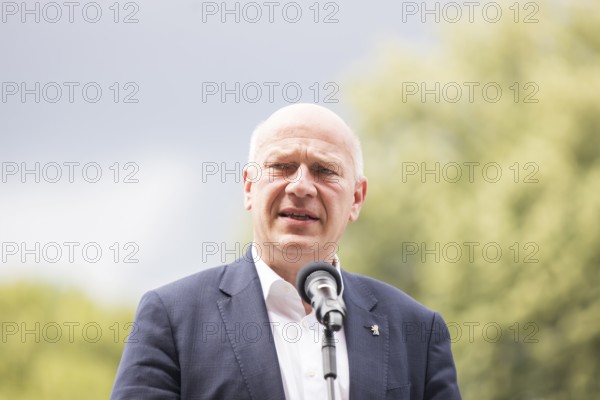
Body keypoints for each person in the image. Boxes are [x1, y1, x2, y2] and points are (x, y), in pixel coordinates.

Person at [110, 104, 462, 400]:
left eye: (325, 171)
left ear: (356, 198)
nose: (301, 186)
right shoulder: (173, 318)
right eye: (282, 166)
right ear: (249, 187)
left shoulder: (416, 330)